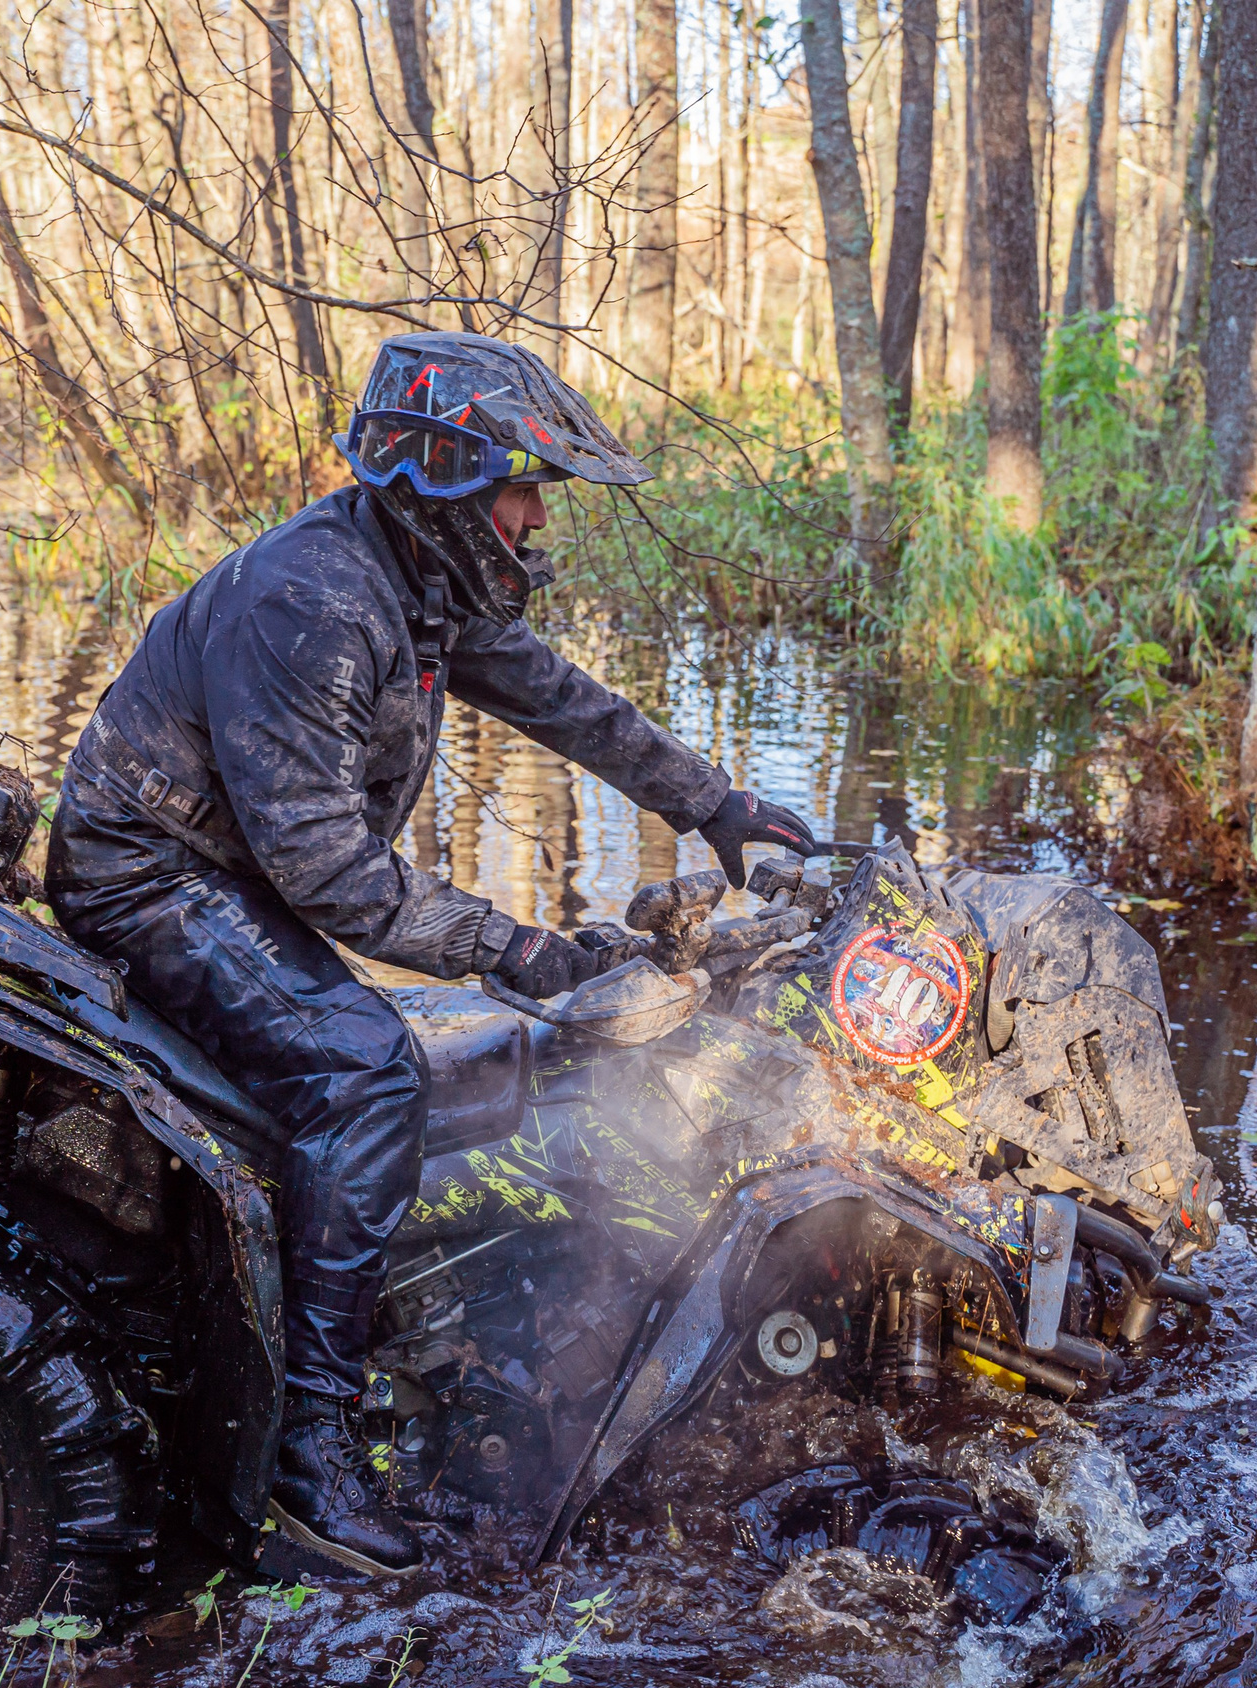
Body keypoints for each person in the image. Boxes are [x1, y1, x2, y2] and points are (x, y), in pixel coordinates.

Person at [44, 332, 816, 1574]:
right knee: (364, 1071)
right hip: (150, 878)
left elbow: (559, 697)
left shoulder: (412, 578)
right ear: (447, 486)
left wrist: (711, 800)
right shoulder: (314, 605)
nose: (531, 519)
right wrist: (533, 956)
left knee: (452, 1060)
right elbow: (329, 874)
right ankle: (308, 1452)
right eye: (519, 491)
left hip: (231, 869)